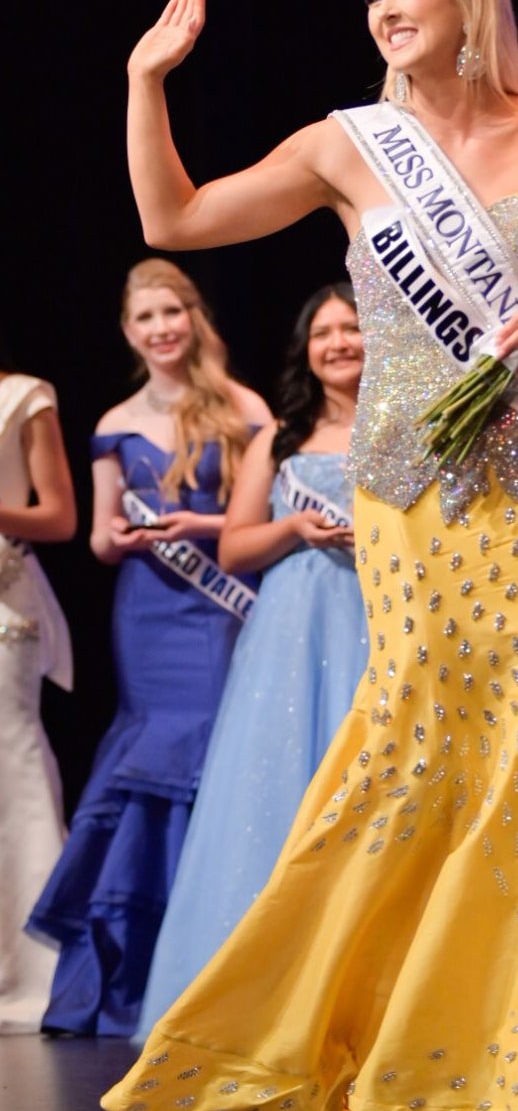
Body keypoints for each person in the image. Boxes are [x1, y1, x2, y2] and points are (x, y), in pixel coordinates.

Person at [102, 0, 518, 1111]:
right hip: (409, 493)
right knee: (419, 748)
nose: (384, 11)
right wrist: (147, 81)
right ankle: (365, 1032)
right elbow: (176, 222)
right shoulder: (347, 145)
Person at [28, 258, 271, 1036]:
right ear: (129, 334)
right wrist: (126, 534)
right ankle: (133, 971)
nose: (161, 329)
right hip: (147, 612)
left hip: (219, 608)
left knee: (211, 757)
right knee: (150, 761)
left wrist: (200, 526)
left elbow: (257, 521)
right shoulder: (113, 423)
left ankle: (217, 956)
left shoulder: (245, 408)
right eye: (145, 319)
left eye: (172, 312)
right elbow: (98, 540)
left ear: (193, 317)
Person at [137, 282, 368, 1036]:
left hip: (381, 624)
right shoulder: (282, 437)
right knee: (280, 796)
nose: (338, 342)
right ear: (306, 349)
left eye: (352, 328)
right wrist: (296, 528)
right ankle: (261, 996)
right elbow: (235, 547)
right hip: (295, 634)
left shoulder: (406, 427)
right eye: (323, 331)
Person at [0, 362, 76, 1033]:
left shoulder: (22, 397)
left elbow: (58, 515)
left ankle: (36, 976)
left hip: (5, 609)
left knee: (14, 772)